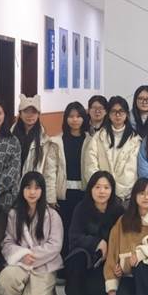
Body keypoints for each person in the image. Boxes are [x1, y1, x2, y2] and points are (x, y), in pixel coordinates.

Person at [0, 172, 63, 295]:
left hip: (44, 267)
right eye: (28, 187)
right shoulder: (14, 214)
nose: (32, 192)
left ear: (42, 191)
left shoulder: (52, 215)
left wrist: (31, 255)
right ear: (22, 189)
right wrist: (22, 256)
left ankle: (46, 294)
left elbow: (55, 245)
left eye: (37, 188)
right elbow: (7, 242)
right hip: (22, 264)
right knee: (7, 276)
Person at [62, 171, 124, 295]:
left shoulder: (118, 210)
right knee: (76, 258)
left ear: (112, 190)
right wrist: (97, 242)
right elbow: (74, 236)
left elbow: (124, 238)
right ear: (90, 189)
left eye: (106, 187)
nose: (102, 191)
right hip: (87, 258)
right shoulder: (81, 208)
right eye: (97, 187)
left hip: (109, 260)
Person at [84, 96, 141, 203]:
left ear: (127, 114)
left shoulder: (135, 140)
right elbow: (91, 165)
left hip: (126, 196)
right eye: (114, 111)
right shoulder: (98, 137)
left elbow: (133, 170)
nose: (117, 115)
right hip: (102, 195)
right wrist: (103, 188)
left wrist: (119, 191)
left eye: (121, 111)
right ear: (108, 114)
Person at [52, 101, 88, 261]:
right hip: (63, 195)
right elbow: (51, 171)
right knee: (62, 230)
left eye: (78, 116)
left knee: (80, 230)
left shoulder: (91, 140)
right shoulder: (56, 141)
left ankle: (77, 264)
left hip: (83, 194)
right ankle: (62, 265)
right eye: (71, 116)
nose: (75, 120)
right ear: (66, 118)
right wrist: (51, 196)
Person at [12, 95, 62, 204]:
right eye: (26, 111)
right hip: (11, 194)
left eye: (34, 112)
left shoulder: (45, 142)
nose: (30, 115)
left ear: (39, 114)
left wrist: (50, 199)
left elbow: (49, 173)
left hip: (34, 194)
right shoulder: (10, 138)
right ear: (20, 113)